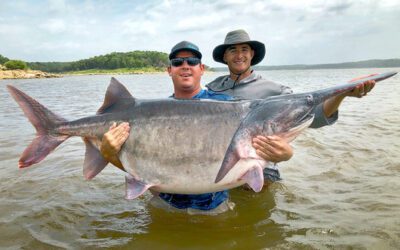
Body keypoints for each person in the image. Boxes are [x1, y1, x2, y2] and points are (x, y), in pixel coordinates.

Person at [100, 41, 293, 215]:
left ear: (201, 69)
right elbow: (143, 170)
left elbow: (258, 143)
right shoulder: (152, 114)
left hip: (214, 208)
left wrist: (283, 154)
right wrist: (109, 155)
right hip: (163, 206)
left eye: (192, 61)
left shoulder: (231, 106)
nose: (185, 66)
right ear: (169, 70)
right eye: (177, 63)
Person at [206, 29, 376, 183]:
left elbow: (313, 117)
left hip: (263, 170)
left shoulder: (276, 90)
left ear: (251, 54)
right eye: (232, 50)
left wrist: (342, 94)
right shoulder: (212, 88)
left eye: (244, 49)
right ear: (225, 57)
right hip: (220, 165)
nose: (239, 55)